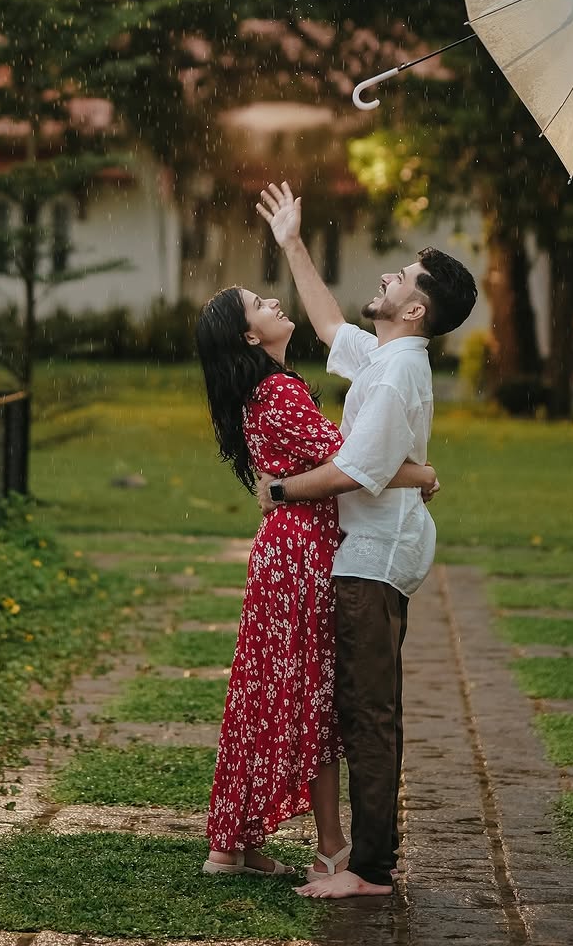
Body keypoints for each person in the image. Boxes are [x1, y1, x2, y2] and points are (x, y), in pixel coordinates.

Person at [254, 181, 478, 900]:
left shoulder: (398, 372)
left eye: (402, 276)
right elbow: (325, 326)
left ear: (415, 309)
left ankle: (370, 870)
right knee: (366, 707)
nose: (387, 275)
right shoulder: (385, 356)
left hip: (373, 560)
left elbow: (355, 471)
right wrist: (291, 242)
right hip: (373, 553)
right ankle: (367, 859)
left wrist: (281, 490)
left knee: (367, 712)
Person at [195, 285, 438, 880]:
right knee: (315, 697)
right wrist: (423, 473)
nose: (274, 303)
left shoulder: (268, 388)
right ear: (250, 336)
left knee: (267, 692)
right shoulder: (278, 391)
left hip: (286, 546)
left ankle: (234, 844)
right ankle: (330, 850)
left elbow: (347, 459)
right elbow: (357, 463)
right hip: (303, 550)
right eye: (258, 304)